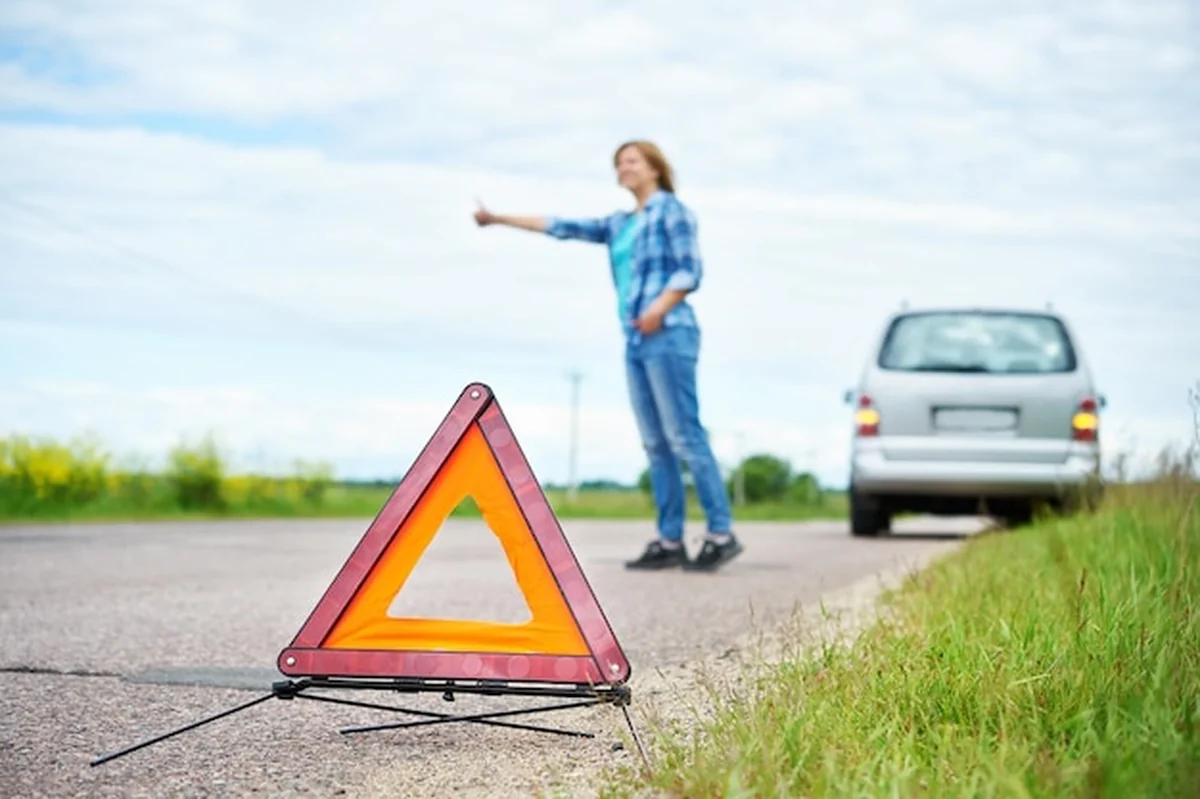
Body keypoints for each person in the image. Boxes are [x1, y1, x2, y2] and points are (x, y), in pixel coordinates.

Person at [472, 140, 743, 573]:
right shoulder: (619, 224)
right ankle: (669, 539)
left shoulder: (671, 211)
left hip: (670, 332)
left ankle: (720, 532)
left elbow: (689, 271)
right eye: (619, 164)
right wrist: (498, 218)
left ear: (655, 167)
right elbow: (562, 225)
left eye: (632, 160)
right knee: (655, 444)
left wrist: (657, 309)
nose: (623, 168)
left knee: (684, 436)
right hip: (636, 339)